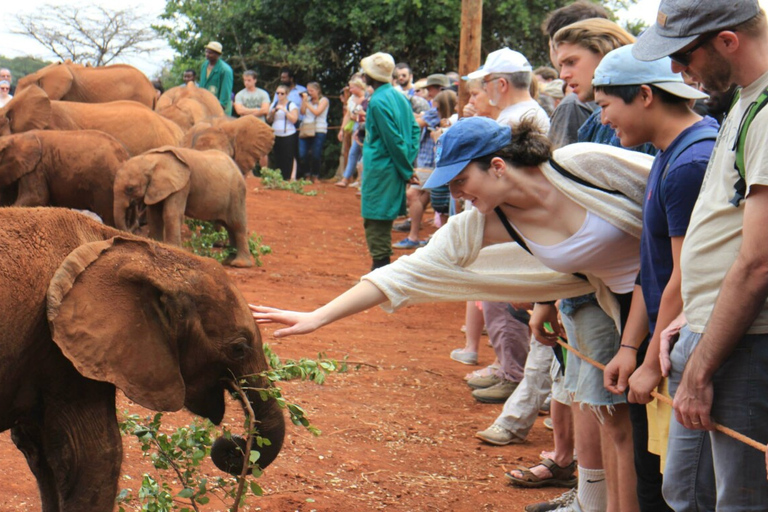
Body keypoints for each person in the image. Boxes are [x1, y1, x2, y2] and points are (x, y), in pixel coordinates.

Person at [634, 0, 768, 508]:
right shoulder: (744, 100)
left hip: (743, 342)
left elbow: (758, 262)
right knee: (686, 491)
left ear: (727, 42)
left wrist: (700, 368)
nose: (675, 69)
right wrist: (695, 310)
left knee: (739, 499)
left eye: (683, 55)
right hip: (709, 329)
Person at [593, 44, 718, 512]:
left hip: (683, 349)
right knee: (656, 478)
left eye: (606, 105)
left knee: (675, 489)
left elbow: (686, 276)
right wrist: (630, 347)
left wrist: (648, 363)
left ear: (644, 95)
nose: (603, 119)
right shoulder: (670, 153)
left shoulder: (691, 164)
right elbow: (653, 268)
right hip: (661, 345)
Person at [356, 52, 419, 271]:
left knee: (375, 217)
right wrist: (408, 161)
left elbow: (393, 139)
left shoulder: (378, 101)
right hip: (392, 166)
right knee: (381, 216)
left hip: (381, 169)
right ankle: (381, 270)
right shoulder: (399, 96)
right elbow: (413, 130)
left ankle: (380, 272)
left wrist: (406, 169)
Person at [467, 48, 550, 132]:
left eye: (486, 82)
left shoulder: (509, 123)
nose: (485, 88)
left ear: (502, 84)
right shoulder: (536, 111)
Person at [336, 75, 367, 188]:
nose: (350, 90)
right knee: (353, 152)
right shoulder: (351, 99)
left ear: (359, 87)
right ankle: (346, 178)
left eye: (352, 87)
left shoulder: (366, 98)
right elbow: (349, 115)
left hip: (364, 128)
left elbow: (357, 115)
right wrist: (342, 130)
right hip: (356, 128)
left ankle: (362, 181)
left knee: (364, 154)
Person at [298, 82, 330, 183]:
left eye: (311, 91)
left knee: (316, 154)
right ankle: (307, 174)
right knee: (303, 153)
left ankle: (315, 175)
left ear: (318, 91)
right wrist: (304, 101)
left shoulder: (324, 100)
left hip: (319, 129)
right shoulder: (307, 100)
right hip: (307, 127)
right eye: (308, 91)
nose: (309, 93)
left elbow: (317, 112)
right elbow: (302, 112)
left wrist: (307, 103)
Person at [267, 84, 299, 181]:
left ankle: (289, 177)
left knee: (288, 156)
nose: (279, 95)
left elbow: (294, 119)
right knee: (278, 156)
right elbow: (269, 119)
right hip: (276, 133)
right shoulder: (273, 104)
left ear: (287, 94)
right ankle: (279, 177)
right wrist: (272, 112)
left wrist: (284, 110)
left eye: (282, 93)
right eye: (277, 93)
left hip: (288, 134)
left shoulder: (291, 105)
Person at [198, 41, 234, 115]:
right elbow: (201, 85)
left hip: (219, 109)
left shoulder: (225, 70)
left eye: (210, 53)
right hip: (205, 106)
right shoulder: (204, 65)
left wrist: (219, 108)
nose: (207, 55)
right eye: (206, 52)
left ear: (218, 54)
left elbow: (226, 92)